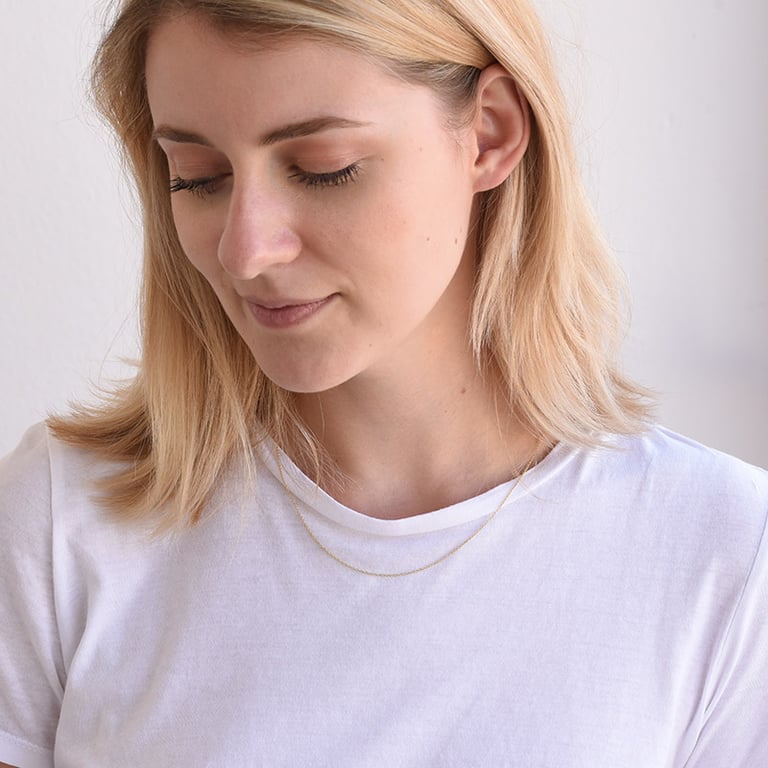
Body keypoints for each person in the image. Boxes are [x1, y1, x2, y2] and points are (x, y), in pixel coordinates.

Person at [0, 0, 766, 765]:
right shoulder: (61, 521)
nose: (246, 251)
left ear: (490, 133)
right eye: (198, 179)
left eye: (323, 168)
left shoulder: (725, 557)